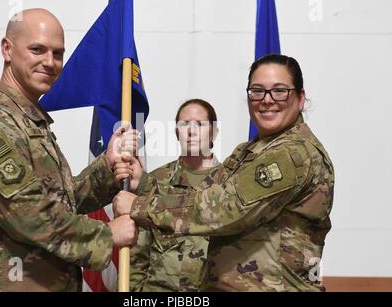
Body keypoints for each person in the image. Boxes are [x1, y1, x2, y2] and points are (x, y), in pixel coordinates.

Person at [0, 8, 137, 292]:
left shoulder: (28, 121)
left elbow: (58, 203)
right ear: (7, 49)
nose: (49, 62)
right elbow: (27, 214)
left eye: (58, 53)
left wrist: (106, 169)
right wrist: (107, 234)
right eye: (37, 50)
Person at [113, 54, 335, 292]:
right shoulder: (249, 151)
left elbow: (224, 207)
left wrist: (139, 206)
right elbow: (205, 193)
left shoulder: (293, 154)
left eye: (280, 91)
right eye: (257, 91)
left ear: (300, 99)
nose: (267, 100)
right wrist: (145, 183)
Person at [115, 99, 220, 291]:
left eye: (200, 124)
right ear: (176, 133)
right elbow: (137, 253)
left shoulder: (230, 183)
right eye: (184, 124)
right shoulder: (155, 181)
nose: (191, 131)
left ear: (214, 132)